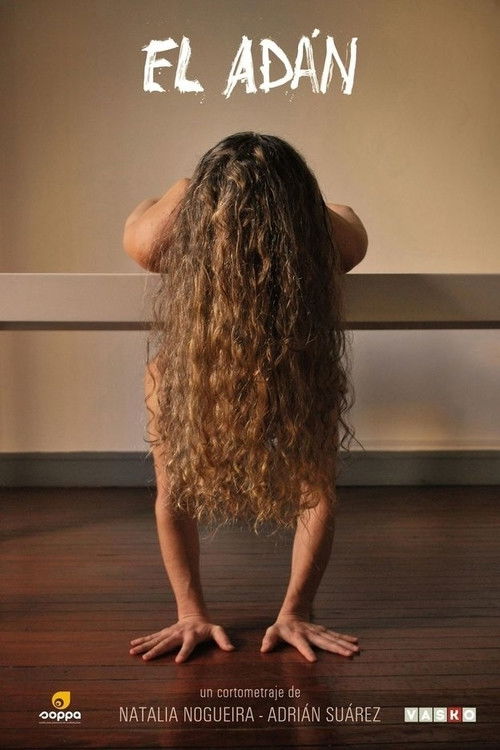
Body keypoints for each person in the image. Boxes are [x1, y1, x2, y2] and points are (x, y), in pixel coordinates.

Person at [122, 132, 368, 664]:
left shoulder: (333, 236)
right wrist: (189, 612)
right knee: (180, 472)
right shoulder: (161, 235)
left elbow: (316, 495)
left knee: (309, 481)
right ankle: (217, 608)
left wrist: (295, 610)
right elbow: (174, 495)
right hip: (209, 337)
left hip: (291, 349)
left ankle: (282, 608)